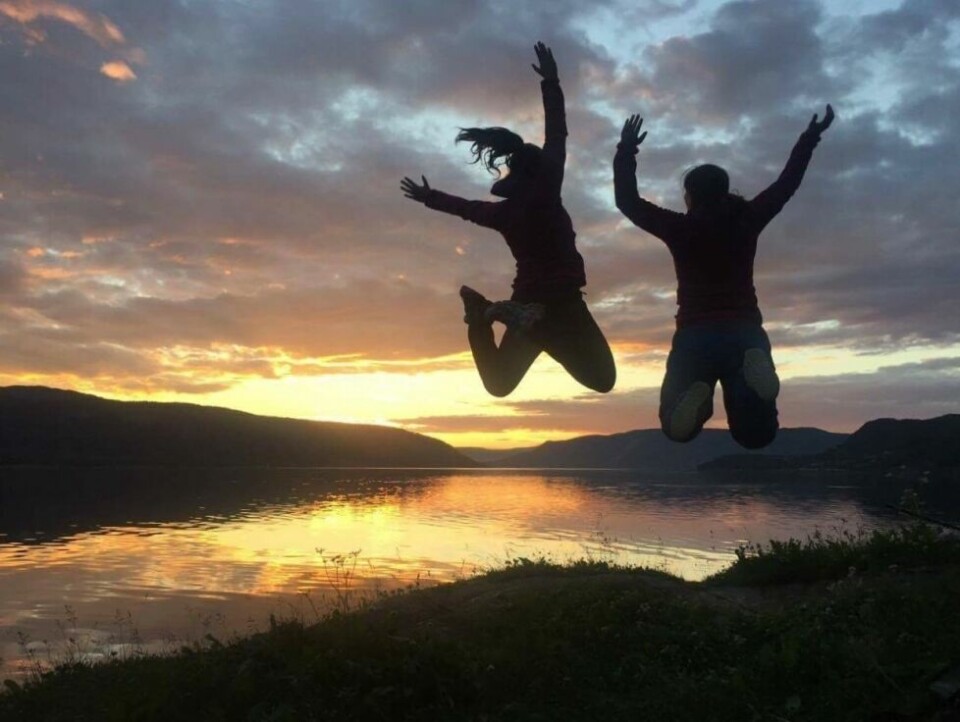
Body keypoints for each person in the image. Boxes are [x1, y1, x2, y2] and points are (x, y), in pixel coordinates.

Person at [401, 42, 615, 398]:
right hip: (564, 303)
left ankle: (486, 316)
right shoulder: (547, 190)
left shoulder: (503, 213)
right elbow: (557, 133)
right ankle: (537, 327)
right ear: (539, 170)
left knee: (499, 384)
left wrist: (429, 198)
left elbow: (466, 207)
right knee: (602, 380)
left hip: (528, 302)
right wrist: (551, 81)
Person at [613, 106, 835, 448]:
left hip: (694, 335)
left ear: (690, 196)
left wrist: (626, 150)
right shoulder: (747, 218)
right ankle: (755, 384)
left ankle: (698, 405)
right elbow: (786, 184)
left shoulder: (680, 227)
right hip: (744, 334)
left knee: (677, 428)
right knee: (755, 435)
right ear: (724, 191)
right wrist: (809, 139)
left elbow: (627, 201)